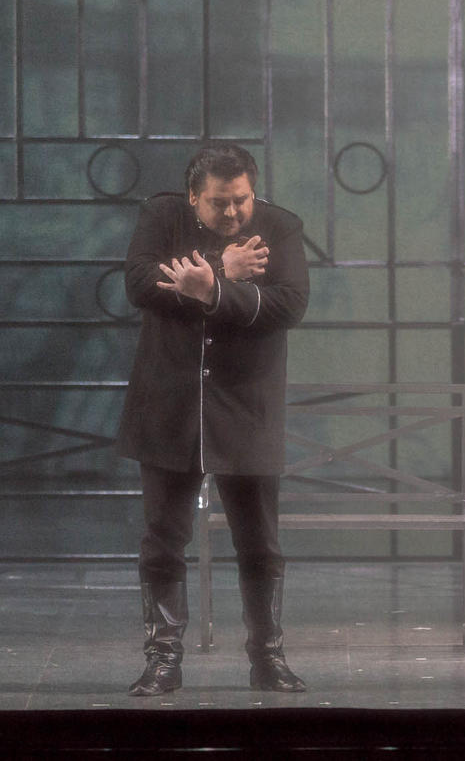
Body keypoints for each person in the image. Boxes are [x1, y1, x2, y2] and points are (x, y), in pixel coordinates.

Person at [118, 142, 310, 695]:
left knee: (259, 543)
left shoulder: (280, 227)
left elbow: (289, 304)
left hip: (246, 406)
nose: (232, 213)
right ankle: (163, 659)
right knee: (163, 540)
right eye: (219, 203)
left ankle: (267, 657)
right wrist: (223, 268)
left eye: (241, 201)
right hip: (169, 404)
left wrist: (212, 289)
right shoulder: (161, 217)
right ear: (192, 197)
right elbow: (139, 283)